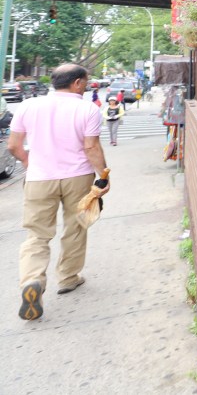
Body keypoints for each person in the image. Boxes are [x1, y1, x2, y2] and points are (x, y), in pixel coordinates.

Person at [8, 64, 110, 321]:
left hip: (39, 178)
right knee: (76, 227)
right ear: (77, 83)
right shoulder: (87, 108)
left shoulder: (29, 106)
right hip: (77, 176)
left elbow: (14, 145)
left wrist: (29, 163)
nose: (86, 86)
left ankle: (32, 280)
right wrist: (103, 176)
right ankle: (68, 277)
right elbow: (91, 147)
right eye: (85, 82)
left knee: (37, 235)